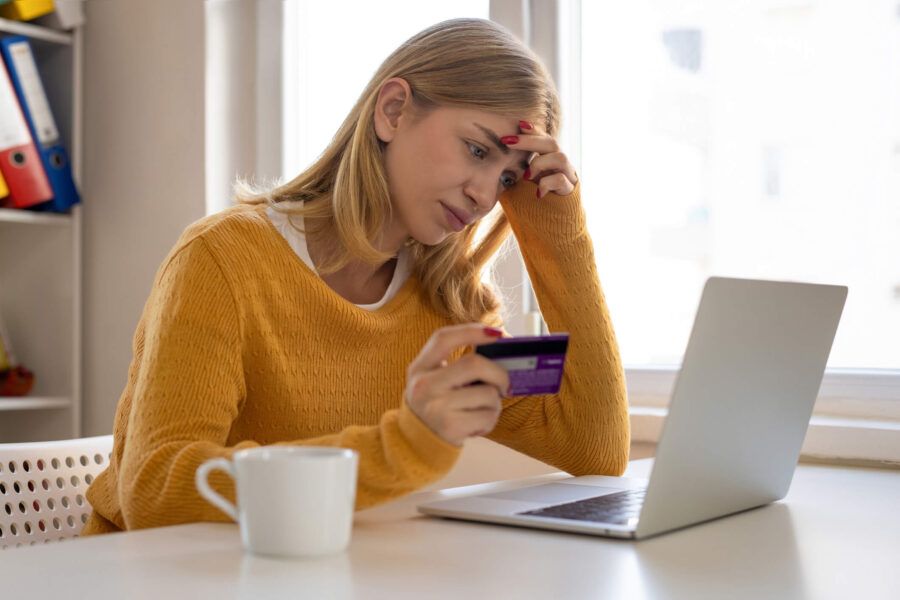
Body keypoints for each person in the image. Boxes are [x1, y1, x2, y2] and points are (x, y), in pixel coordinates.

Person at [82, 18, 629, 535]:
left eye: (507, 178)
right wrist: (405, 445)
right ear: (392, 110)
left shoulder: (450, 305)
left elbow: (594, 448)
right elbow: (157, 492)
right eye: (477, 149)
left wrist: (555, 229)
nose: (485, 196)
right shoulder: (222, 260)